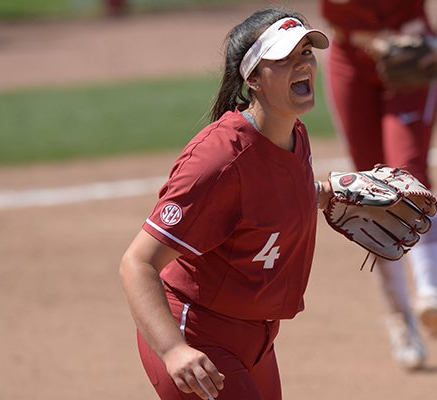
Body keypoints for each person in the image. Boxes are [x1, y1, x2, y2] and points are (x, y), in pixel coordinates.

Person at [119, 6, 331, 399]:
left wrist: (328, 194)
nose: (303, 64)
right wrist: (174, 350)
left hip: (257, 339)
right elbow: (137, 263)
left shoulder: (293, 136)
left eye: (306, 52)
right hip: (198, 338)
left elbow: (262, 197)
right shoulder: (218, 160)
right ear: (253, 78)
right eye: (285, 57)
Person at [320, 0, 437, 370]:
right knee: (367, 189)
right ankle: (400, 320)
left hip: (413, 56)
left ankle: (432, 293)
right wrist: (376, 43)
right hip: (351, 60)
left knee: (410, 172)